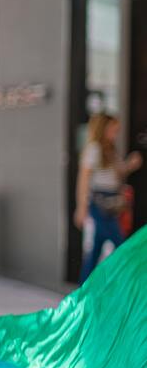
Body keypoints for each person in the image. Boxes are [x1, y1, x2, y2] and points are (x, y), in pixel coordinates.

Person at [74, 113, 143, 282]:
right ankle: (132, 282)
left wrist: (129, 165)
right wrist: (81, 207)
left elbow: (115, 175)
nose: (116, 133)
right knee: (121, 246)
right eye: (113, 129)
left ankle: (84, 291)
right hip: (100, 203)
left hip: (112, 202)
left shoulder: (110, 149)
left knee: (95, 250)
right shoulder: (94, 149)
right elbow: (83, 179)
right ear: (103, 128)